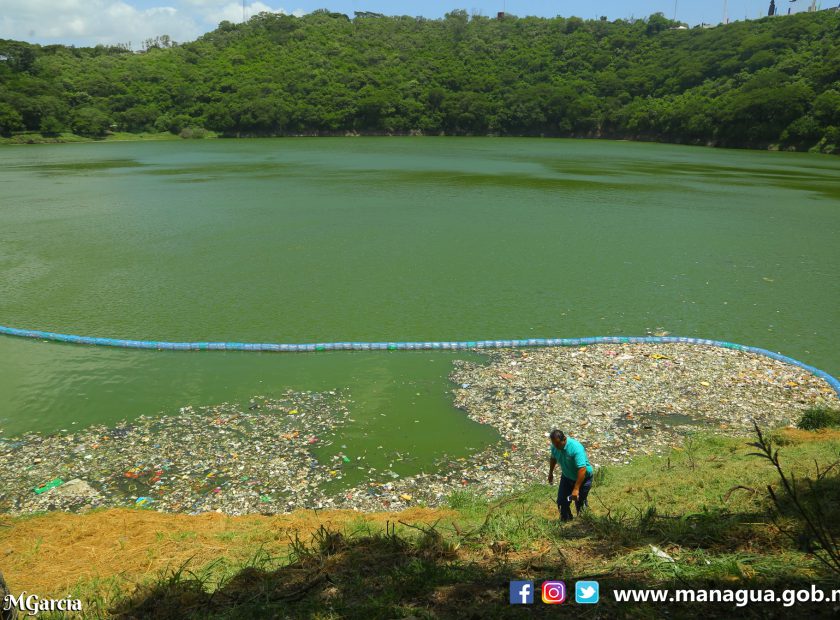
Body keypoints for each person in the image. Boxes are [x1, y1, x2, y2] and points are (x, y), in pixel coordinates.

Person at [547, 429, 593, 521]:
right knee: (562, 502)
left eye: (558, 444)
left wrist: (576, 489)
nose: (556, 447)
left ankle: (585, 522)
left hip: (583, 479)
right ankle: (566, 521)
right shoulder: (554, 447)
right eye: (554, 444)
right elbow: (553, 458)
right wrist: (550, 473)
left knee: (580, 502)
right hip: (567, 477)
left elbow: (582, 469)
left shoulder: (575, 448)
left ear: (564, 439)